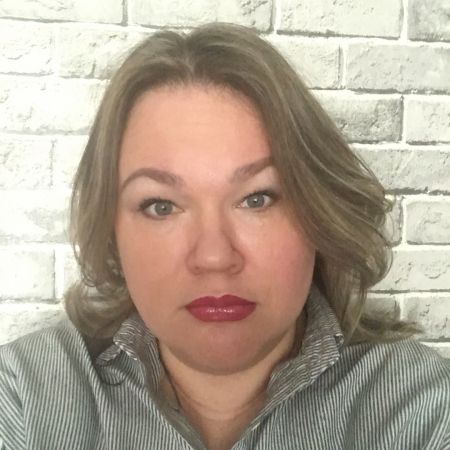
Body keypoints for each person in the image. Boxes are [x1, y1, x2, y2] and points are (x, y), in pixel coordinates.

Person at [0, 22, 449, 450]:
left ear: (319, 211)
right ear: (111, 229)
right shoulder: (25, 396)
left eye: (257, 199)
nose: (214, 257)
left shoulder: (424, 410)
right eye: (161, 206)